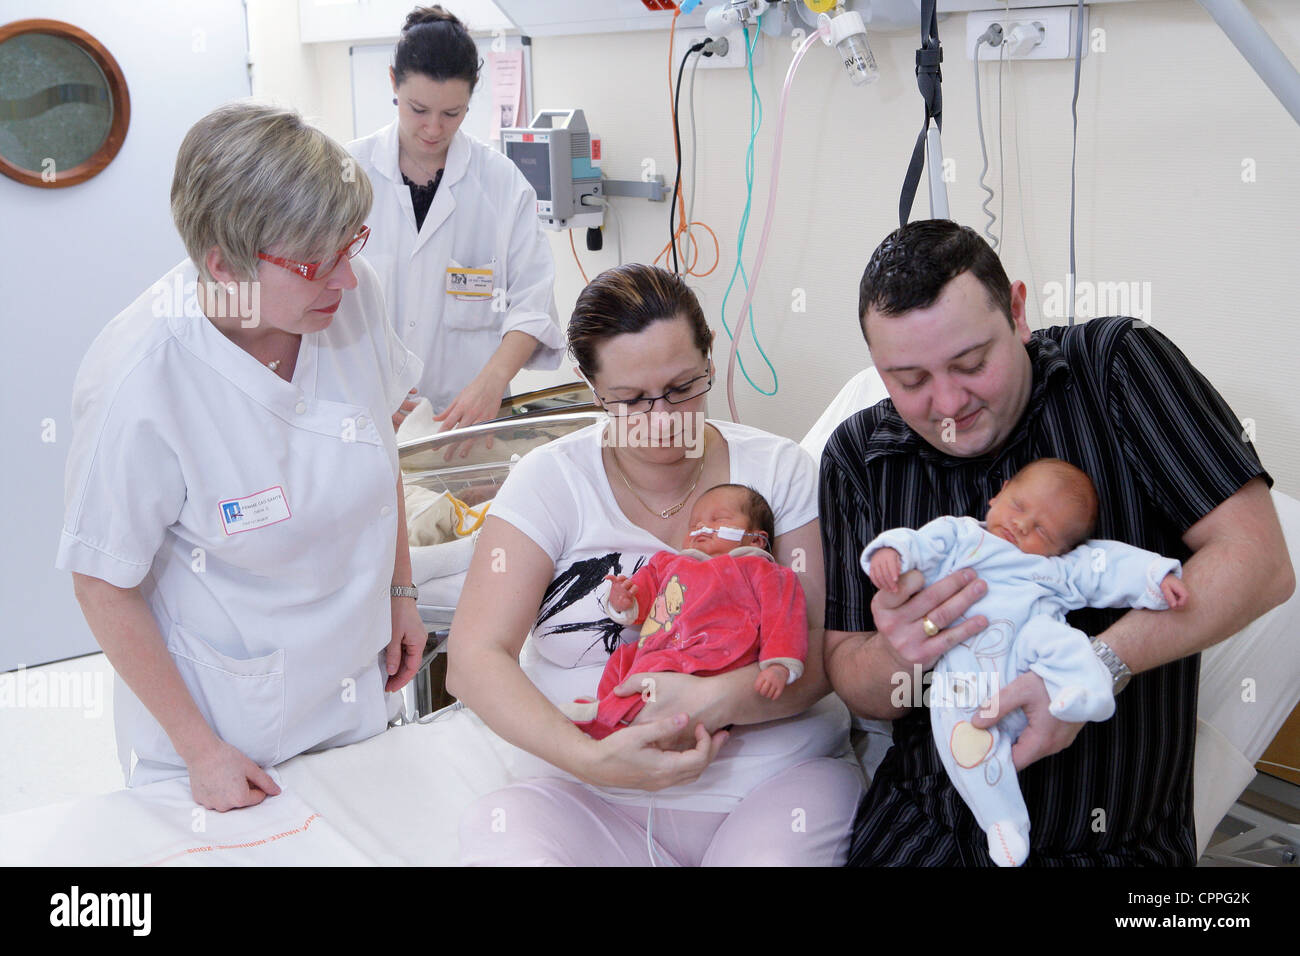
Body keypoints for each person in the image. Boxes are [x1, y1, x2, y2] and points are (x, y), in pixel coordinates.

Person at [821, 219, 1294, 866]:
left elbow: (1260, 562)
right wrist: (897, 653)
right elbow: (852, 674)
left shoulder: (1116, 369)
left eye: (971, 363)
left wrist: (1093, 669)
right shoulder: (860, 455)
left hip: (1109, 848)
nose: (948, 403)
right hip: (922, 836)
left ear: (1017, 312)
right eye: (909, 380)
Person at [55, 102, 428, 811]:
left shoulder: (347, 299)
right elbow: (103, 585)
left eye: (352, 246)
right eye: (317, 262)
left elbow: (381, 457)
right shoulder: (140, 378)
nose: (346, 279)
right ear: (226, 265)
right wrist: (201, 751)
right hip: (229, 732)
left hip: (358, 698)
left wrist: (400, 592)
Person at [450, 263, 862, 866]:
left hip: (771, 785)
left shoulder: (780, 473)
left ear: (708, 358)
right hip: (587, 791)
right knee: (501, 840)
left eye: (682, 388)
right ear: (592, 389)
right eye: (632, 400)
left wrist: (712, 700)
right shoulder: (549, 482)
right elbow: (473, 659)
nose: (663, 418)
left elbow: (823, 652)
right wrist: (592, 758)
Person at [864, 458, 1189, 865]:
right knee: (960, 740)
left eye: (1041, 530)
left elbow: (1107, 567)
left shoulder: (1054, 570)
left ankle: (1083, 692)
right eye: (1018, 507)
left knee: (1062, 642)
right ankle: (1002, 822)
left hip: (1029, 657)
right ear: (997, 495)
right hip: (965, 674)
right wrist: (890, 552)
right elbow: (919, 543)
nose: (1020, 526)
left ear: (1061, 548)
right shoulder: (961, 536)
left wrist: (1157, 580)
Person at [347, 5, 563, 430]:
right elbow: (315, 304)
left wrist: (494, 380)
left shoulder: (501, 184)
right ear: (393, 81)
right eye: (417, 109)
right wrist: (359, 389)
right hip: (366, 419)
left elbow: (532, 307)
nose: (432, 128)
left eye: (452, 114)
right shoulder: (348, 174)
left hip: (469, 428)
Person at [562, 483, 807, 739]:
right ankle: (609, 709)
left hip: (715, 655)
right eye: (694, 524)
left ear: (756, 539)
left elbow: (784, 617)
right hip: (662, 650)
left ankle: (608, 718)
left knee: (654, 679)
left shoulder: (760, 570)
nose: (701, 529)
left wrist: (779, 663)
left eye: (717, 521)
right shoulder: (669, 564)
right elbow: (643, 592)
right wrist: (625, 599)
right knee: (622, 661)